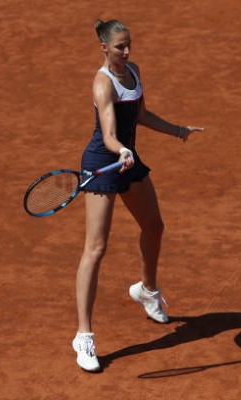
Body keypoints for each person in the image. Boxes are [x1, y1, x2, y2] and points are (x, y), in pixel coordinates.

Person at [71, 18, 204, 372]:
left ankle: (146, 290)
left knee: (155, 226)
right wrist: (121, 152)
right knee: (96, 248)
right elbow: (110, 132)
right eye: (119, 47)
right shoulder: (103, 84)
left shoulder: (133, 70)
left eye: (129, 44)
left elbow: (140, 114)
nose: (127, 51)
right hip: (104, 162)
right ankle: (84, 336)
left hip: (127, 161)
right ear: (104, 48)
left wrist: (177, 130)